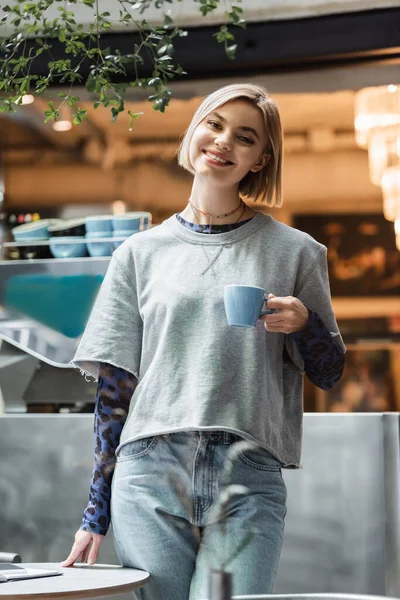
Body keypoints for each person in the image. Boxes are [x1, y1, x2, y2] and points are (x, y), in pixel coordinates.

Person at [61, 83, 346, 599]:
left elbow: (328, 373)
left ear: (261, 159)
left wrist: (305, 325)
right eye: (214, 125)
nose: (223, 142)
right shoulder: (138, 253)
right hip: (148, 469)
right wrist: (94, 514)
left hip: (248, 471)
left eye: (244, 136)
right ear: (194, 131)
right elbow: (113, 392)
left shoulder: (296, 251)